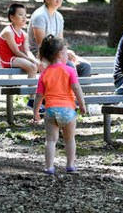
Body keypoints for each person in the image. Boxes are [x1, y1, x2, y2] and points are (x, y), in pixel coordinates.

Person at [33, 35, 87, 175]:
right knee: (69, 139)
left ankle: (49, 167)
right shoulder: (69, 70)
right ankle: (70, 165)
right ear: (60, 54)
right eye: (66, 52)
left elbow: (39, 96)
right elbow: (76, 88)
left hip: (50, 111)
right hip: (68, 111)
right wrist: (82, 104)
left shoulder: (44, 74)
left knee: (50, 140)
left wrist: (36, 112)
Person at [26, 0, 91, 76]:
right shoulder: (40, 16)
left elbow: (60, 41)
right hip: (41, 54)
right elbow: (41, 45)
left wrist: (65, 51)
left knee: (85, 66)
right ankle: (69, 90)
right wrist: (62, 55)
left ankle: (81, 90)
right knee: (70, 66)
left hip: (56, 53)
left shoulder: (59, 17)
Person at [0, 3, 40, 78]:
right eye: (20, 15)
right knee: (32, 67)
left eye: (25, 15)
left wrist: (34, 59)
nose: (24, 18)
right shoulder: (8, 32)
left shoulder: (24, 34)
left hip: (17, 58)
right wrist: (30, 60)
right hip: (8, 59)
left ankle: (32, 87)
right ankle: (30, 89)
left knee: (37, 65)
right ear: (12, 17)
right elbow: (16, 51)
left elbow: (27, 51)